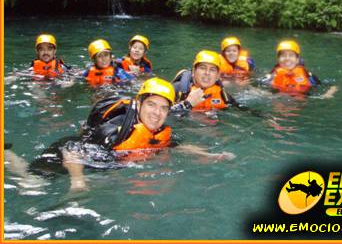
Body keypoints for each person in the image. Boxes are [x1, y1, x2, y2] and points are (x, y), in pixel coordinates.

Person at [5, 77, 235, 191]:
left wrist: (209, 155)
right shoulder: (115, 130)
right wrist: (77, 180)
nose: (157, 113)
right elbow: (72, 150)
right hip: (64, 154)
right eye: (152, 105)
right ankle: (6, 154)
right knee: (31, 183)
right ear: (140, 104)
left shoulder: (157, 131)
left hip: (101, 162)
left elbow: (174, 145)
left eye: (164, 107)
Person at [264, 40, 338, 98]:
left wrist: (328, 94)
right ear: (278, 59)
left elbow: (333, 86)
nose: (287, 59)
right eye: (283, 55)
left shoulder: (307, 75)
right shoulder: (271, 76)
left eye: (291, 55)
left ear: (297, 59)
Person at [172, 50, 237, 112]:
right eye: (202, 68)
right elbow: (165, 114)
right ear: (194, 71)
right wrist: (187, 104)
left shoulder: (222, 95)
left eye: (212, 69)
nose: (207, 73)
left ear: (217, 76)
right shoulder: (177, 89)